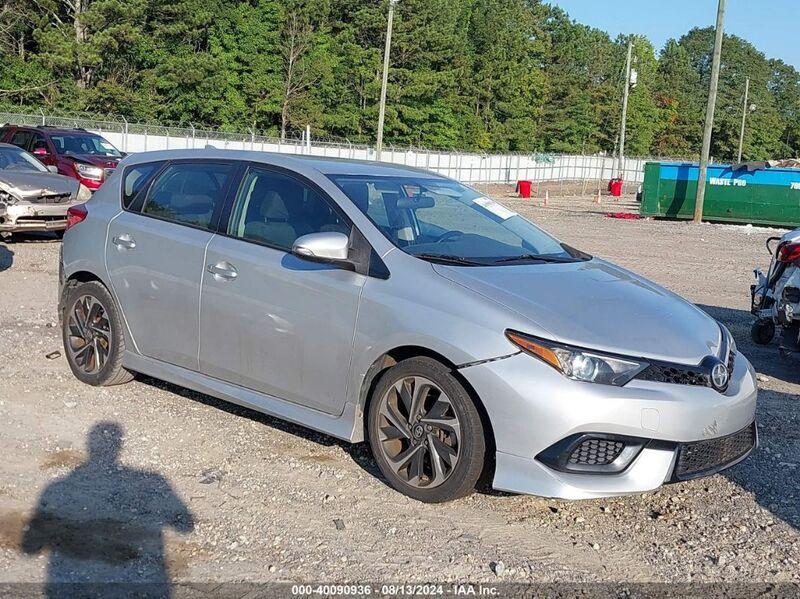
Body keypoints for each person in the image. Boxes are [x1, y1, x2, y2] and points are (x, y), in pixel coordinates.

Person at [22, 421, 194, 598]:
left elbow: (30, 547)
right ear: (119, 446)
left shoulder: (56, 489)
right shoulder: (153, 481)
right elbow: (186, 525)